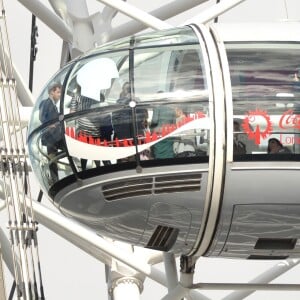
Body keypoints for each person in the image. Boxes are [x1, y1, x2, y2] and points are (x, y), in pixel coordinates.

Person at [70, 86, 113, 170]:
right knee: (99, 151)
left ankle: (83, 172)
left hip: (83, 129)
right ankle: (105, 170)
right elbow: (101, 109)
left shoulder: (77, 96)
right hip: (96, 128)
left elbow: (72, 113)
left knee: (85, 153)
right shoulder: (97, 94)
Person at [39, 82, 64, 184]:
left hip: (54, 136)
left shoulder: (53, 105)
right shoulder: (46, 103)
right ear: (52, 92)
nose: (60, 95)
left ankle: (55, 180)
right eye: (58, 92)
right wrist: (49, 125)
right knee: (54, 157)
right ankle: (54, 180)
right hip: (51, 136)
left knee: (53, 157)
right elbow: (41, 117)